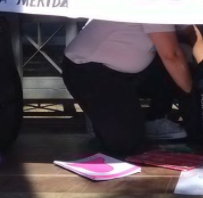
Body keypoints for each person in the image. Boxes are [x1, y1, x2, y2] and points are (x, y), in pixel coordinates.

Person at [62, 20, 193, 157]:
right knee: (126, 144)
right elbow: (171, 56)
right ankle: (100, 118)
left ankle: (154, 119)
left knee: (181, 53)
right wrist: (192, 96)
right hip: (90, 70)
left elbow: (187, 36)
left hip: (128, 72)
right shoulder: (154, 5)